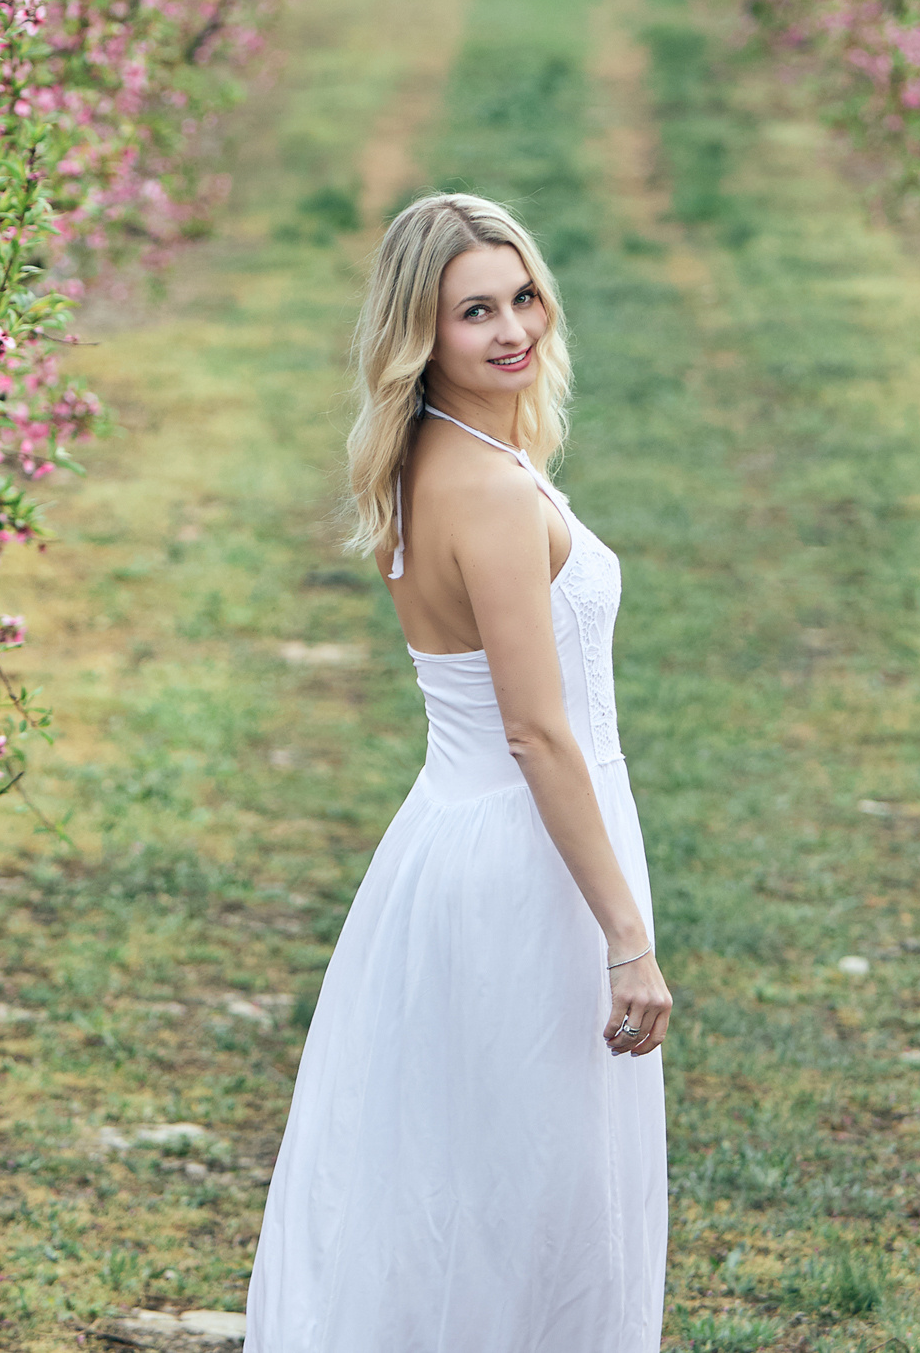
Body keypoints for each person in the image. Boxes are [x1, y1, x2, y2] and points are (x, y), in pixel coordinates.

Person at [244, 193, 670, 1352]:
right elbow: (536, 733)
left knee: (459, 1170)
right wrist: (626, 940)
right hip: (523, 861)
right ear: (418, 334)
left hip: (462, 836)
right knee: (528, 1189)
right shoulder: (483, 488)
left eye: (521, 297)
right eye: (473, 311)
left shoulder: (443, 457)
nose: (510, 329)